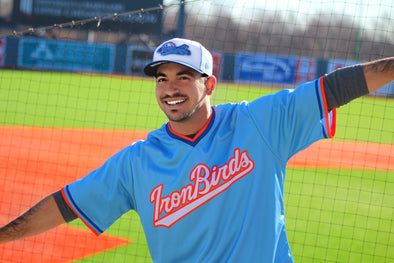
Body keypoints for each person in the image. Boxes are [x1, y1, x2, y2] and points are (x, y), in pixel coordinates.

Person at [0, 38, 393, 262]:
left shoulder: (260, 122)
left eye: (184, 77)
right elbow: (65, 204)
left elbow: (339, 86)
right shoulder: (136, 162)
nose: (170, 88)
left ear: (210, 84)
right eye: (162, 78)